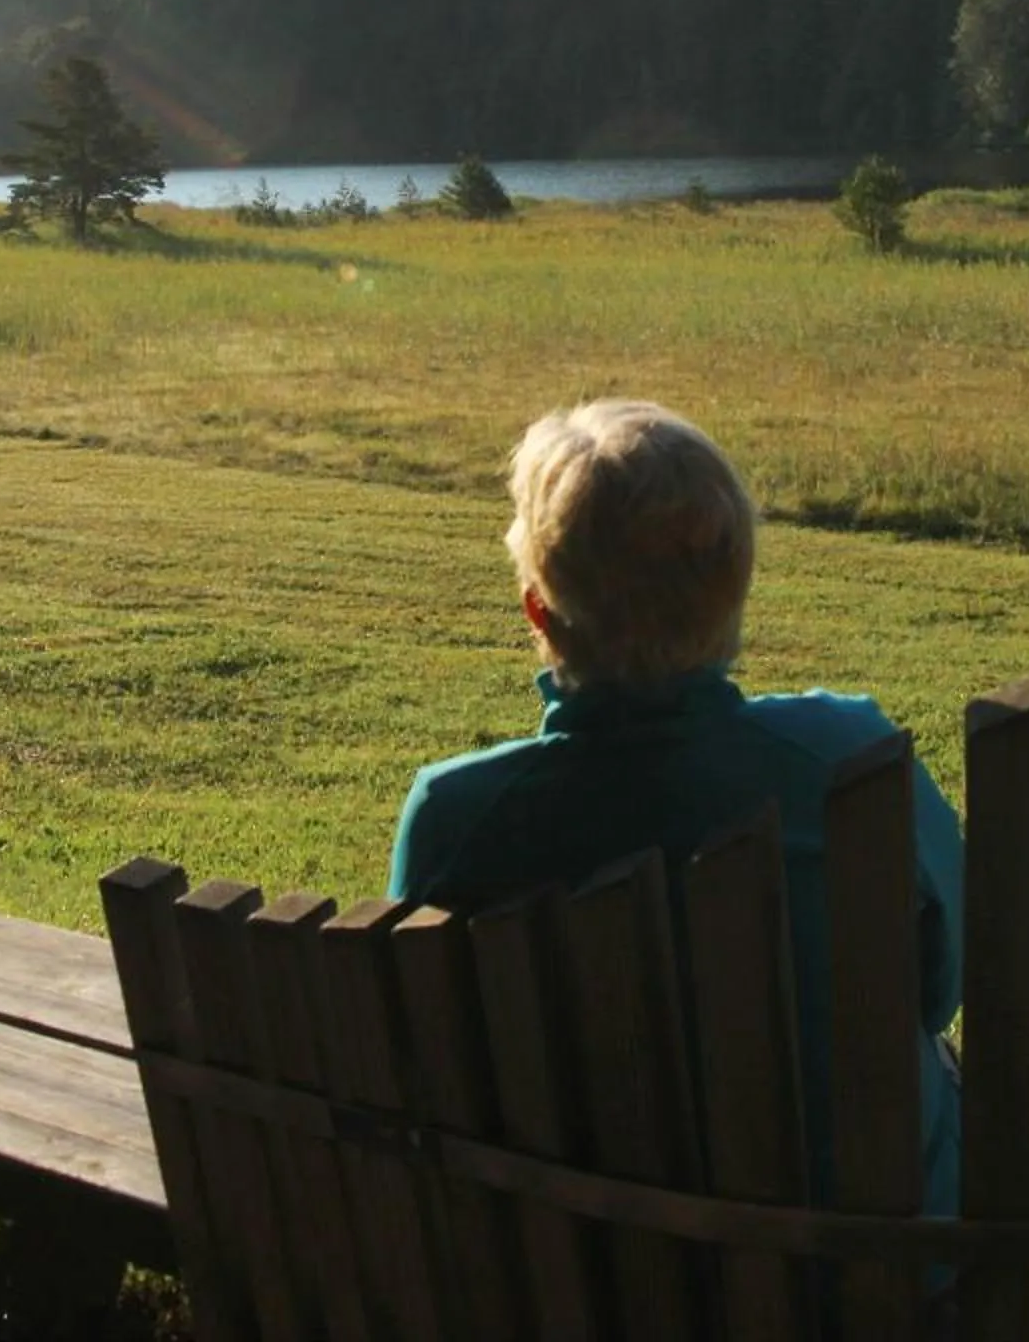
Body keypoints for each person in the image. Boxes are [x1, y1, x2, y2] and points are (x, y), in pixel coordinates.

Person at [389, 398, 964, 1213]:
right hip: (867, 1274)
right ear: (737, 590)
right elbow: (940, 986)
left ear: (538, 611)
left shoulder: (454, 815)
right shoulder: (851, 760)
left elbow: (431, 1061)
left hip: (578, 1274)